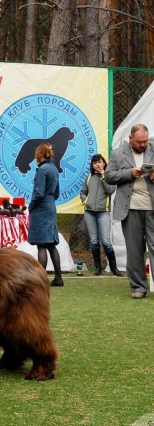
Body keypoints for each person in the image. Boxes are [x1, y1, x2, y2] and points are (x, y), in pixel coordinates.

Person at [105, 124, 154, 299]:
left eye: (145, 141)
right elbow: (109, 176)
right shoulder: (118, 153)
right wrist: (129, 173)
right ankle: (139, 287)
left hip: (152, 207)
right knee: (134, 250)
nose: (143, 145)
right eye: (139, 142)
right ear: (130, 139)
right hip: (130, 208)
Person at [27, 143, 63, 286]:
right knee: (51, 244)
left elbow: (38, 192)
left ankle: (40, 280)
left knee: (41, 244)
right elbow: (57, 193)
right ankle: (59, 278)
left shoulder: (42, 170)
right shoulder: (54, 169)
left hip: (41, 208)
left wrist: (31, 206)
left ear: (39, 155)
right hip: (50, 205)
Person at [80, 154, 121, 277]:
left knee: (106, 241)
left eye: (99, 162)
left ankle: (114, 268)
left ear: (104, 163)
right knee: (94, 241)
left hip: (103, 212)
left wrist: (103, 177)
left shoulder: (109, 177)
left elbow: (110, 190)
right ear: (92, 165)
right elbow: (83, 192)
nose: (97, 164)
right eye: (95, 163)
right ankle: (98, 268)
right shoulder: (89, 178)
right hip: (89, 212)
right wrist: (85, 201)